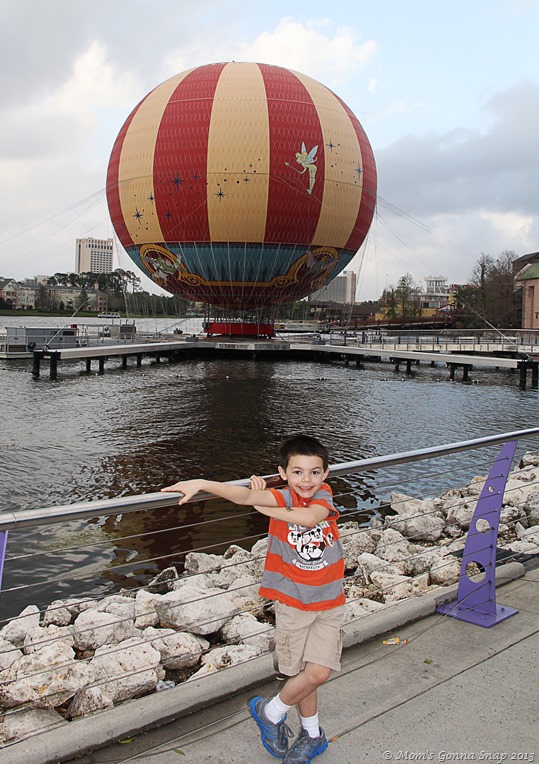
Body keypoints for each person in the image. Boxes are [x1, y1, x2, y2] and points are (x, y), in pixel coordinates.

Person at [161, 435, 345, 764]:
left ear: (325, 474)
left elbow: (310, 518)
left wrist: (265, 507)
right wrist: (202, 483)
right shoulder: (282, 495)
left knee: (318, 672)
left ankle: (270, 712)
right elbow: (243, 495)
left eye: (315, 472)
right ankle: (312, 734)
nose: (306, 480)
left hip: (329, 602)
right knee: (302, 674)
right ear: (283, 473)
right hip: (292, 603)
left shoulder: (322, 494)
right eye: (298, 472)